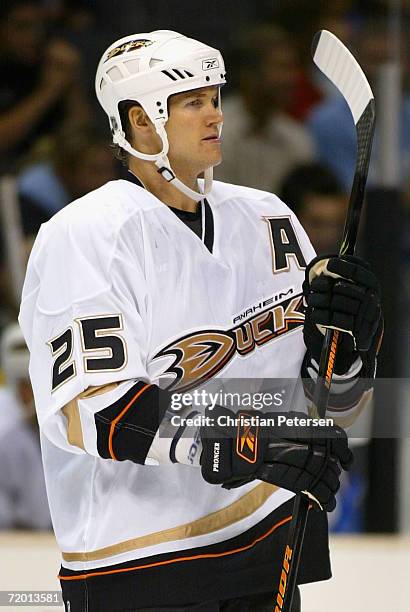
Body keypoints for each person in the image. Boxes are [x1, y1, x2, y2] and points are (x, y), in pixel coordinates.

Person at [19, 31, 383, 611]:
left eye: (215, 97)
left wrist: (353, 344)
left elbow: (331, 403)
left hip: (267, 544)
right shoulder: (86, 233)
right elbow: (95, 413)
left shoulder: (269, 219)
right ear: (140, 119)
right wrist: (240, 440)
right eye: (193, 102)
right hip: (140, 562)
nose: (215, 114)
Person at [214, 25, 316, 192]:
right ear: (249, 74)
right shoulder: (214, 132)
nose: (292, 78)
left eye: (293, 68)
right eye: (282, 67)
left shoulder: (297, 138)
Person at [0, 0, 89, 172]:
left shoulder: (49, 63)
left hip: (51, 171)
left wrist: (71, 80)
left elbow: (81, 138)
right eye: (22, 27)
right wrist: (49, 91)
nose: (34, 36)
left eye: (40, 27)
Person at [0, 323, 51, 530]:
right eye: (23, 385)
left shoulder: (66, 421)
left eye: (32, 385)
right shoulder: (8, 432)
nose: (28, 395)